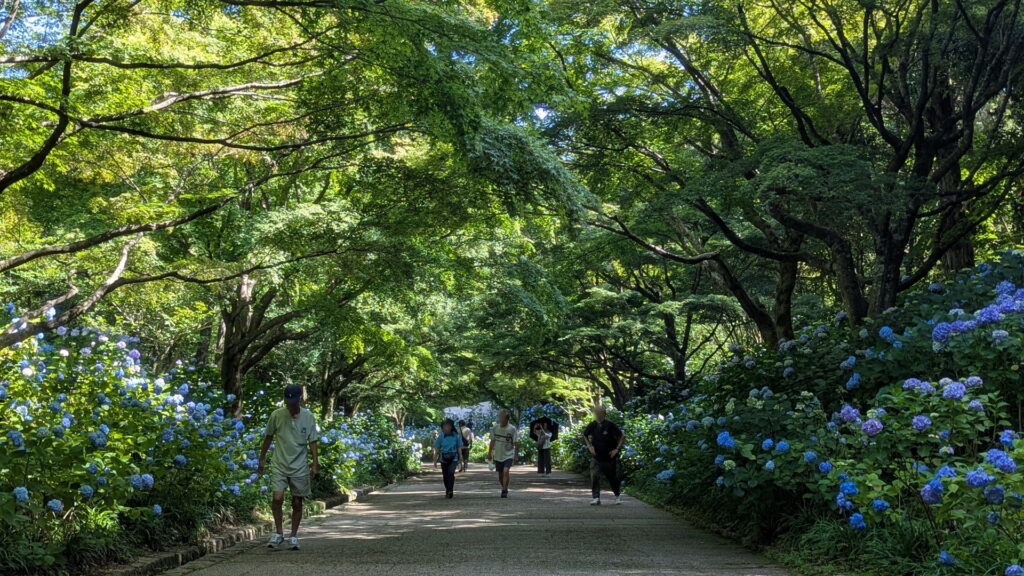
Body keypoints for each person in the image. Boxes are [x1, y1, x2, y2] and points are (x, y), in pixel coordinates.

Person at [258, 384, 320, 550]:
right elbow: (268, 437)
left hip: (299, 465)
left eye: (293, 401)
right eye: (288, 402)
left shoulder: (308, 417)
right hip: (280, 463)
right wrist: (262, 459)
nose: (290, 405)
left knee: (297, 502)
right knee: (277, 498)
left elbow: (312, 441)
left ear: (300, 399)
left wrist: (315, 463)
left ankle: (293, 535)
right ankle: (279, 533)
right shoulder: (277, 415)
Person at [582, 405, 624, 506]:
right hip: (597, 456)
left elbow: (621, 436)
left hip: (609, 456)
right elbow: (585, 434)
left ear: (604, 414)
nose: (598, 415)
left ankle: (617, 495)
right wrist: (589, 446)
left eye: (600, 413)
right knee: (594, 475)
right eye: (596, 413)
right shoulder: (592, 425)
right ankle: (596, 498)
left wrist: (616, 449)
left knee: (612, 477)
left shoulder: (610, 425)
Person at [487, 409, 518, 498]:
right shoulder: (495, 428)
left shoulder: (512, 429)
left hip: (508, 453)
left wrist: (516, 454)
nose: (501, 419)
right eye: (500, 417)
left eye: (502, 418)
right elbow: (492, 441)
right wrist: (489, 453)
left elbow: (516, 442)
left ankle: (504, 490)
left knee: (506, 471)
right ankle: (504, 487)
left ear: (507, 419)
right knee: (500, 474)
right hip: (498, 454)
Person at [433, 419, 464, 498]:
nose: (446, 428)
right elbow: (437, 449)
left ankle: (450, 490)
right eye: (444, 426)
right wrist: (435, 460)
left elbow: (459, 447)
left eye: (448, 426)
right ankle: (447, 489)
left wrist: (460, 457)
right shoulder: (441, 437)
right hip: (444, 458)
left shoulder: (456, 436)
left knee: (451, 473)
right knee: (445, 475)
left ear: (451, 427)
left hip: (454, 458)